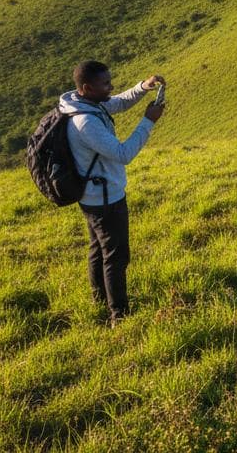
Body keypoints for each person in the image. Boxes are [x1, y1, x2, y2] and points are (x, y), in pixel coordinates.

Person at [58, 60, 164, 326]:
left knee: (98, 250)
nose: (111, 86)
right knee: (116, 256)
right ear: (86, 88)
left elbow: (116, 102)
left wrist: (143, 87)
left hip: (94, 195)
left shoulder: (85, 103)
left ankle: (100, 301)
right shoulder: (86, 121)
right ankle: (119, 314)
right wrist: (147, 122)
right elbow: (123, 154)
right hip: (105, 199)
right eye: (105, 83)